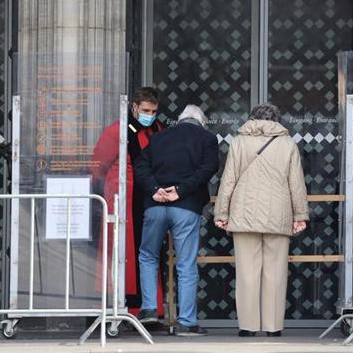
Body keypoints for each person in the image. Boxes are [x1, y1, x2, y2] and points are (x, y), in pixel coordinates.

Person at [213, 103, 309, 338]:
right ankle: (273, 327)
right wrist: (300, 215)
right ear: (277, 120)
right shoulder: (287, 144)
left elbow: (228, 180)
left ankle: (248, 326)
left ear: (252, 118)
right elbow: (296, 183)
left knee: (247, 272)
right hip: (279, 213)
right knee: (275, 273)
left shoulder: (239, 141)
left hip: (244, 212)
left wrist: (221, 213)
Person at [133, 104, 219, 336]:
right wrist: (180, 190)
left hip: (156, 206)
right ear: (201, 122)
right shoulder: (207, 138)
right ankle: (186, 322)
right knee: (186, 263)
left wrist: (154, 189)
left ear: (180, 120)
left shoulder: (159, 137)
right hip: (186, 206)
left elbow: (140, 165)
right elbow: (208, 168)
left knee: (148, 256)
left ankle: (150, 308)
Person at [91, 87, 166, 314]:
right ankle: (122, 308)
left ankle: (149, 308)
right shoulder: (116, 131)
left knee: (149, 253)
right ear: (134, 107)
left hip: (148, 199)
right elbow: (98, 166)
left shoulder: (158, 129)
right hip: (123, 201)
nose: (149, 115)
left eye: (153, 111)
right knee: (123, 254)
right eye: (145, 110)